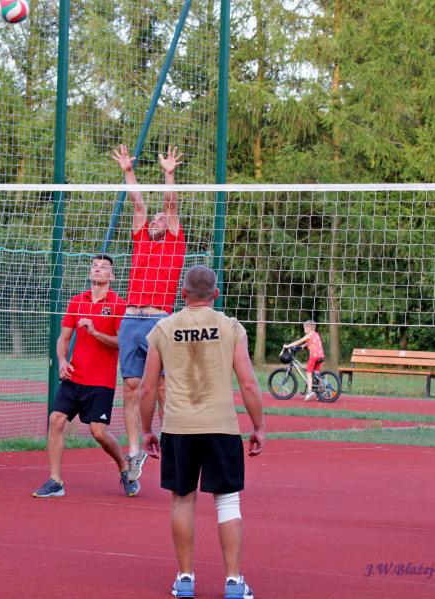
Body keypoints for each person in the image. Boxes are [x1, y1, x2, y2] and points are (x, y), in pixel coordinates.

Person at [140, 265, 264, 599]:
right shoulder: (231, 327)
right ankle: (234, 582)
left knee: (182, 500)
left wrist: (146, 429)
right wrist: (258, 426)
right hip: (221, 426)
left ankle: (185, 579)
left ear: (182, 294)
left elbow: (147, 388)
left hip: (178, 427)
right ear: (216, 294)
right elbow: (248, 383)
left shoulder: (163, 328)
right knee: (228, 501)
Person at [111, 144, 186, 484]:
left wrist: (169, 174)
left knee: (162, 387)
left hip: (158, 320)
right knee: (130, 386)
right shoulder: (141, 239)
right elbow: (138, 203)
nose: (156, 220)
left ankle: (171, 444)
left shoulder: (174, 244)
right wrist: (128, 170)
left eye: (161, 220)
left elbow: (170, 206)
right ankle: (134, 451)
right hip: (131, 319)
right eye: (153, 219)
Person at [33, 255, 136, 498]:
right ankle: (55, 481)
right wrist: (62, 361)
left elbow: (121, 342)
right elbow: (64, 338)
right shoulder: (77, 301)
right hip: (74, 376)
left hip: (100, 381)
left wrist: (95, 332)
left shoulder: (119, 305)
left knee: (98, 432)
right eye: (95, 266)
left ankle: (125, 468)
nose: (98, 270)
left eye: (104, 267)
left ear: (112, 276)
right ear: (90, 272)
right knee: (56, 420)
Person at [282, 319, 325, 401]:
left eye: (304, 328)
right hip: (321, 356)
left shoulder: (309, 335)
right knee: (316, 373)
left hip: (314, 357)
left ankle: (309, 392)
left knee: (309, 373)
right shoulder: (316, 334)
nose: (304, 329)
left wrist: (287, 346)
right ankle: (322, 391)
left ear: (308, 328)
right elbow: (308, 343)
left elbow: (298, 342)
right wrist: (302, 347)